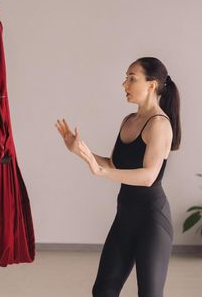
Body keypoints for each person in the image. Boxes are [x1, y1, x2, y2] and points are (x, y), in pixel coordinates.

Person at [56, 57, 181, 297]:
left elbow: (148, 176)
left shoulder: (159, 124)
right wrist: (82, 152)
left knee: (150, 294)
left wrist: (101, 171)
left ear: (152, 85)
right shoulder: (129, 121)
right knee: (103, 290)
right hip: (125, 217)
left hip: (152, 221)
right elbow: (114, 164)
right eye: (126, 78)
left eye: (132, 78)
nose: (125, 84)